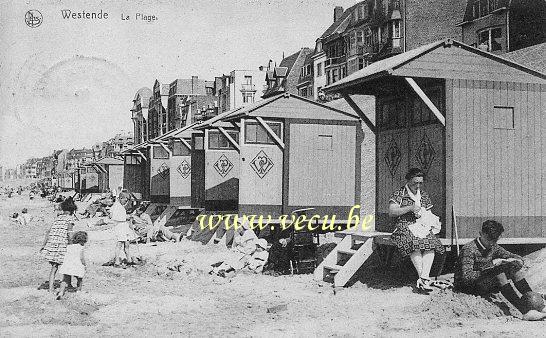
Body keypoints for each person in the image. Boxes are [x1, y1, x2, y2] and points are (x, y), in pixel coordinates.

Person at [454, 220, 546, 321]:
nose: (492, 243)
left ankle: (536, 304)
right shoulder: (469, 249)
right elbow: (466, 277)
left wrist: (516, 260)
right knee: (499, 274)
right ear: (481, 233)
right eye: (489, 240)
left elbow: (511, 255)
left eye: (495, 240)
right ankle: (526, 312)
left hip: (484, 281)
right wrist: (490, 266)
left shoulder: (493, 246)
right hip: (467, 287)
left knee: (514, 270)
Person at [389, 168, 445, 292]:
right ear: (408, 181)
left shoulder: (423, 195)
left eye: (420, 183)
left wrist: (429, 219)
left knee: (431, 243)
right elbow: (392, 212)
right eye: (415, 183)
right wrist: (410, 208)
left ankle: (424, 278)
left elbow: (428, 212)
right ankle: (424, 279)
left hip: (421, 225)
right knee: (414, 243)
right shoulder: (400, 193)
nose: (418, 185)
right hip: (403, 225)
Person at [40, 197, 77, 293]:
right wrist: (71, 246)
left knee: (54, 267)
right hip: (63, 245)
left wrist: (44, 245)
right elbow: (69, 234)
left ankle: (51, 288)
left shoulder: (58, 218)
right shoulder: (70, 219)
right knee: (67, 266)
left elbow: (49, 232)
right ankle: (68, 285)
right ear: (72, 210)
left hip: (53, 245)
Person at [56, 231, 88, 300]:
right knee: (79, 279)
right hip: (76, 265)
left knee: (65, 279)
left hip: (68, 264)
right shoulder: (81, 247)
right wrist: (84, 264)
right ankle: (78, 291)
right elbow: (81, 258)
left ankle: (61, 292)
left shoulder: (69, 246)